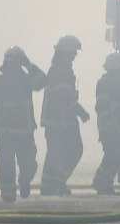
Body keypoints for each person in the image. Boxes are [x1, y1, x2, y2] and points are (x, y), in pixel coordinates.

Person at [0, 46, 47, 202]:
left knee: (29, 165)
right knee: (6, 166)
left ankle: (24, 181)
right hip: (4, 133)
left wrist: (29, 64)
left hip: (25, 133)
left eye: (17, 64)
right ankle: (8, 197)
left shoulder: (27, 81)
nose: (14, 67)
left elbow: (42, 81)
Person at [38, 35, 92, 195]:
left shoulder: (63, 71)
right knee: (57, 153)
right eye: (73, 52)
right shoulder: (58, 72)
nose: (74, 56)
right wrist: (81, 111)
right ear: (65, 53)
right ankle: (48, 186)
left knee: (73, 150)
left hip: (65, 121)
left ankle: (57, 183)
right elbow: (65, 97)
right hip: (57, 122)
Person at [91, 50, 120, 194]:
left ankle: (102, 182)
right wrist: (108, 125)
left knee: (117, 155)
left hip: (118, 127)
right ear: (116, 69)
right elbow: (102, 106)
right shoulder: (105, 84)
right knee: (113, 155)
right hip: (110, 127)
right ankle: (101, 183)